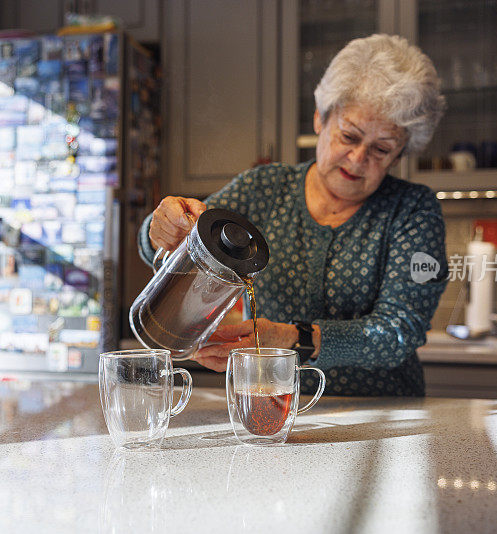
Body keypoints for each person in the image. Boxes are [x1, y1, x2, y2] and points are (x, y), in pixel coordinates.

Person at [137, 34, 448, 396]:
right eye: (349, 136)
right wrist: (160, 230)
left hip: (385, 418)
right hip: (272, 408)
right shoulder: (264, 188)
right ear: (320, 118)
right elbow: (181, 244)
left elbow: (400, 331)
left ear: (400, 155)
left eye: (381, 149)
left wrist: (293, 338)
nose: (359, 159)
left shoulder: (413, 210)